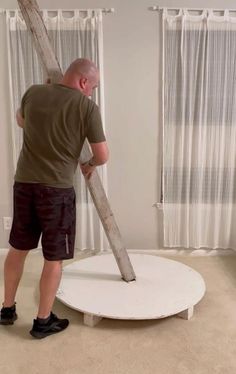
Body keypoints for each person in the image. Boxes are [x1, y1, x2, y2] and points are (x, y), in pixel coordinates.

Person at [0, 58, 109, 339]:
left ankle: (7, 309)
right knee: (54, 257)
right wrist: (90, 165)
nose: (91, 92)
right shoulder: (86, 107)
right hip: (56, 192)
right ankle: (42, 321)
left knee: (18, 248)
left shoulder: (34, 92)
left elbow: (21, 120)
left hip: (24, 184)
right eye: (92, 86)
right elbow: (102, 155)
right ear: (84, 81)